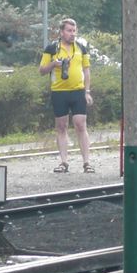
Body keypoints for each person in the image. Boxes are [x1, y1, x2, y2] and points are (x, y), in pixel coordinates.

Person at [39, 18, 94, 173]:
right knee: (61, 126)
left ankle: (87, 162)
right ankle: (64, 162)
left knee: (80, 124)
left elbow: (86, 70)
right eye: (69, 31)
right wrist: (53, 64)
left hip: (78, 90)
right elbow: (42, 70)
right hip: (59, 91)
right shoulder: (52, 49)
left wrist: (87, 92)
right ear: (62, 32)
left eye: (74, 30)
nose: (72, 34)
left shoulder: (81, 48)